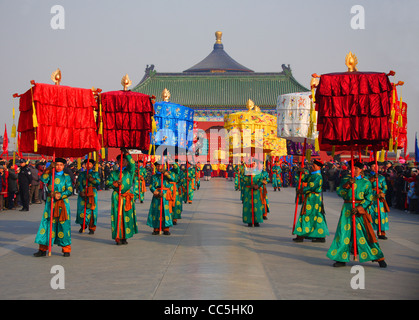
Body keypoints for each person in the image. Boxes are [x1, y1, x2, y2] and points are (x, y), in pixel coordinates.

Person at [326, 161, 387, 268]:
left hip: (360, 210)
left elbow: (369, 197)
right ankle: (341, 258)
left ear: (361, 169)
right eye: (351, 168)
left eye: (356, 168)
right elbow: (339, 192)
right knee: (344, 233)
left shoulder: (366, 182)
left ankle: (378, 257)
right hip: (347, 209)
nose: (353, 170)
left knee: (365, 232)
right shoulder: (346, 179)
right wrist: (348, 185)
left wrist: (361, 207)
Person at [33, 158, 74, 257]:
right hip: (50, 203)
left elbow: (70, 190)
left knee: (63, 225)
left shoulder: (67, 177)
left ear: (64, 166)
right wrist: (48, 169)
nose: (58, 166)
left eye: (61, 165)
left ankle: (66, 249)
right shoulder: (50, 175)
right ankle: (42, 249)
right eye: (57, 164)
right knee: (47, 224)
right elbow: (43, 179)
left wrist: (60, 195)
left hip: (63, 203)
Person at [106, 149, 138, 245]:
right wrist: (115, 183)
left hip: (127, 196)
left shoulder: (130, 171)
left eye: (124, 160)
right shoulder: (114, 173)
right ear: (117, 162)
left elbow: (132, 164)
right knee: (117, 216)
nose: (122, 162)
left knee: (127, 216)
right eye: (120, 161)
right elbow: (107, 183)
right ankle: (118, 237)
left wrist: (127, 153)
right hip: (117, 197)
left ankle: (125, 236)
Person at [293, 160, 329, 242]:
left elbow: (312, 186)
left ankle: (303, 235)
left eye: (314, 166)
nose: (312, 167)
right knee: (314, 215)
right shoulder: (312, 175)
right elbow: (304, 179)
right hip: (310, 197)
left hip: (314, 198)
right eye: (312, 165)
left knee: (309, 215)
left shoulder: (318, 176)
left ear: (319, 167)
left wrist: (302, 190)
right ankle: (314, 235)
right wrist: (300, 172)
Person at [147, 162, 174, 235]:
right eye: (157, 166)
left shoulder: (167, 174)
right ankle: (156, 228)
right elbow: (151, 186)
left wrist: (165, 173)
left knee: (166, 211)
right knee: (156, 211)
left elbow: (173, 179)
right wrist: (156, 193)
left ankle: (166, 228)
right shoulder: (154, 176)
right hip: (157, 195)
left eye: (160, 166)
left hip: (165, 195)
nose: (159, 167)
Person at [75, 159, 100, 234]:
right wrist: (81, 191)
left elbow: (98, 182)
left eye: (90, 164)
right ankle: (83, 225)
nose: (88, 165)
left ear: (92, 165)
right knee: (81, 210)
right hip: (83, 193)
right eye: (87, 164)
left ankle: (92, 228)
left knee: (92, 210)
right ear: (84, 165)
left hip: (92, 193)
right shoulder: (81, 174)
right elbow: (79, 183)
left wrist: (91, 179)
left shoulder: (95, 173)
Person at [366, 161, 390, 240]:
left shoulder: (381, 177)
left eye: (376, 166)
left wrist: (382, 193)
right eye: (373, 166)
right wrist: (372, 179)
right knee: (370, 213)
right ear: (370, 167)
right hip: (371, 196)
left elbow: (385, 187)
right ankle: (370, 232)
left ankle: (381, 232)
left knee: (381, 214)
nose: (375, 168)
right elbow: (365, 185)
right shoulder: (366, 176)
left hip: (379, 197)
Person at [241, 161, 267, 227]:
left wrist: (258, 185)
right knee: (248, 205)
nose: (253, 164)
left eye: (254, 163)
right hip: (248, 191)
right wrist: (249, 177)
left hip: (256, 191)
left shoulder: (259, 172)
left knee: (257, 205)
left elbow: (261, 179)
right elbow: (242, 178)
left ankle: (257, 221)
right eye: (252, 163)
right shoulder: (246, 171)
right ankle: (249, 221)